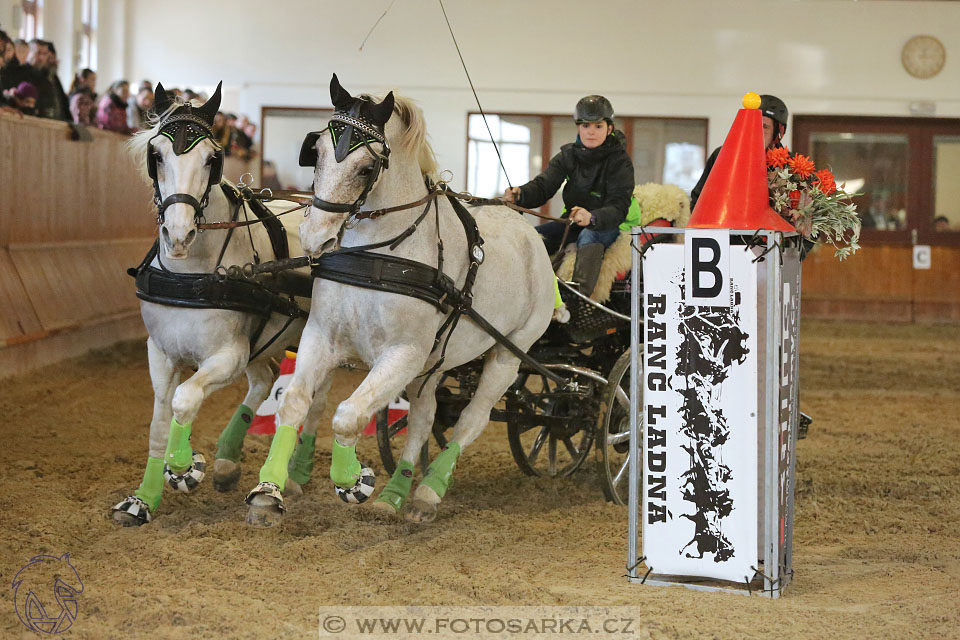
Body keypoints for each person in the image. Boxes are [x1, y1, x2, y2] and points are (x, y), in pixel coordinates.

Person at [502, 95, 634, 296]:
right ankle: (519, 292)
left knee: (589, 235)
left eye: (598, 126)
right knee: (535, 237)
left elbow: (619, 206)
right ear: (578, 127)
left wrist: (592, 217)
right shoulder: (568, 155)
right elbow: (544, 185)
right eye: (585, 126)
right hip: (572, 222)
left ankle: (580, 299)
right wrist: (520, 194)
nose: (591, 132)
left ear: (609, 128)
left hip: (605, 224)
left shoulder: (620, 161)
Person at [691, 94, 788, 211]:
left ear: (778, 134)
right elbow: (699, 199)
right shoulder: (723, 154)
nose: (756, 130)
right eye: (753, 123)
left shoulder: (789, 164)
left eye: (764, 126)